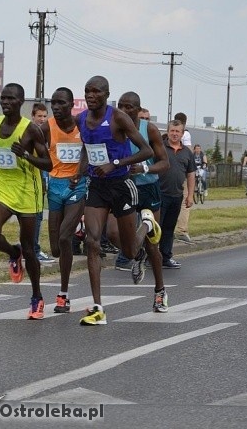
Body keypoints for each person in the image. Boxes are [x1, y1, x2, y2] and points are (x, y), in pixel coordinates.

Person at [74, 76, 159, 326]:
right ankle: (98, 308)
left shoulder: (118, 118)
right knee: (92, 240)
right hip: (97, 186)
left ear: (106, 94)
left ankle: (147, 224)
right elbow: (86, 148)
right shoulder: (82, 119)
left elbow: (147, 151)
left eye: (96, 91)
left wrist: (115, 164)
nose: (90, 95)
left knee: (131, 250)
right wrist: (80, 170)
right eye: (87, 91)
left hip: (121, 185)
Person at [0, 83, 52, 320]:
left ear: (21, 103)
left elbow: (48, 164)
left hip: (27, 194)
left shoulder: (31, 130)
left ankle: (37, 297)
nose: (6, 102)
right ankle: (13, 252)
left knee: (31, 250)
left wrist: (26, 155)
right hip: (2, 190)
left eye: (11, 99)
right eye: (3, 99)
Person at [112, 92, 170, 312]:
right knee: (114, 234)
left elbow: (165, 163)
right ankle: (137, 254)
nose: (124, 111)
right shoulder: (114, 128)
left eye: (129, 107)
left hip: (147, 188)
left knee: (152, 244)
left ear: (138, 110)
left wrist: (145, 167)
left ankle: (159, 291)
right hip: (122, 187)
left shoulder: (150, 129)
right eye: (121, 106)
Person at [38, 88, 86, 313]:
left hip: (77, 185)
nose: (56, 107)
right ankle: (78, 228)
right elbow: (31, 144)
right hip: (55, 186)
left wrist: (82, 171)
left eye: (60, 103)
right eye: (53, 103)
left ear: (71, 105)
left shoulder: (81, 125)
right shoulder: (47, 126)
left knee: (66, 237)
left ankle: (63, 294)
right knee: (56, 248)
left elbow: (89, 150)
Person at [159, 119, 195, 269]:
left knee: (169, 228)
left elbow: (191, 174)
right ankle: (150, 257)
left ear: (182, 133)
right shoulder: (159, 148)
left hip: (176, 195)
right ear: (168, 131)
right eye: (172, 131)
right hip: (159, 194)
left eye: (177, 131)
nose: (174, 134)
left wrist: (190, 195)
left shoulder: (187, 152)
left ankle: (166, 257)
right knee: (156, 228)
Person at [30, 102, 54, 265]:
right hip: (32, 179)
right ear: (33, 116)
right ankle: (33, 250)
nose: (42, 119)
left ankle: (31, 248)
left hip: (44, 177)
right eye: (39, 116)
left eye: (45, 116)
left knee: (38, 215)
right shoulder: (29, 133)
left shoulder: (47, 133)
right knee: (35, 215)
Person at [173, 112, 193, 243]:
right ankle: (181, 230)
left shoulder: (170, 133)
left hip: (169, 172)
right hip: (183, 171)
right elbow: (189, 152)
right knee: (185, 201)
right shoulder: (185, 134)